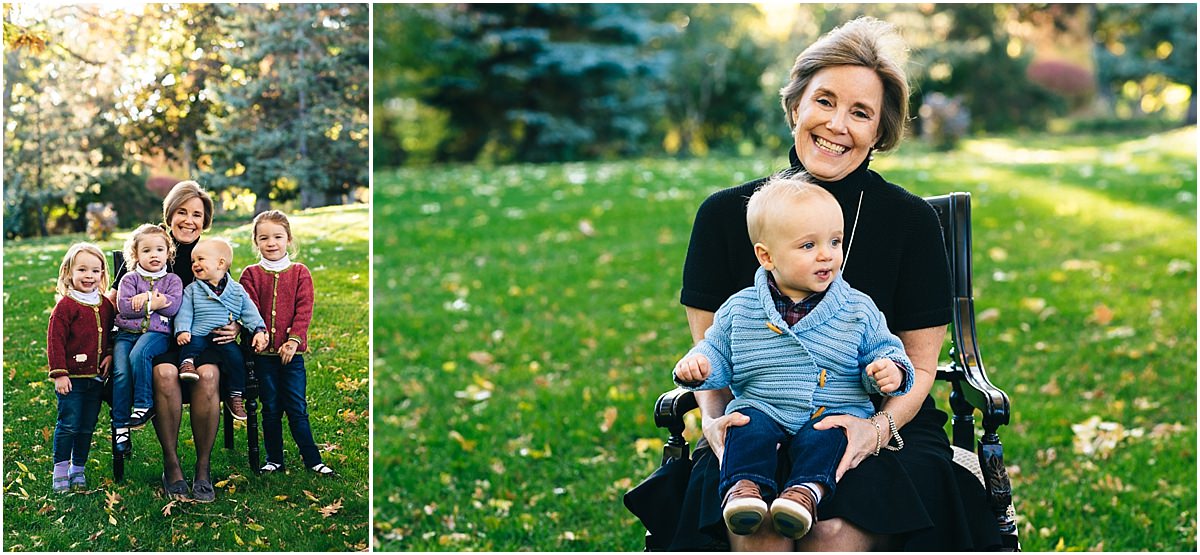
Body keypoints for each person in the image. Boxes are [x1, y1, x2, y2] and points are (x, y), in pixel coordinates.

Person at [673, 16, 1002, 551]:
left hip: (882, 424)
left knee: (832, 530)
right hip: (755, 421)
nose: (837, 125)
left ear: (879, 131)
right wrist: (714, 422)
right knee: (754, 525)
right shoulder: (723, 217)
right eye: (824, 101)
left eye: (860, 113)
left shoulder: (911, 224)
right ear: (795, 106)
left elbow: (918, 368)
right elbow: (713, 356)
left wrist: (873, 432)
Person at [673, 177, 913, 540]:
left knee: (831, 438)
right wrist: (699, 367)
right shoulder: (740, 308)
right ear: (766, 256)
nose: (827, 255)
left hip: (831, 410)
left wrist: (887, 371)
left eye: (835, 242)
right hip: (766, 406)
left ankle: (804, 495)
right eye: (808, 245)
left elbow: (885, 351)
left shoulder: (858, 309)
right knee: (744, 426)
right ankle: (743, 491)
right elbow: (717, 351)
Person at [108, 180, 239, 503]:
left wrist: (236, 325)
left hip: (201, 341)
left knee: (209, 376)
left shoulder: (210, 255)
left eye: (197, 214)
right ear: (170, 214)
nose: (189, 220)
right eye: (182, 212)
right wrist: (106, 346)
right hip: (158, 339)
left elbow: (233, 297)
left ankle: (203, 469)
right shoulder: (148, 249)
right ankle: (172, 465)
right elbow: (112, 302)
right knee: (164, 375)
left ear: (205, 220)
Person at [240, 210, 335, 476]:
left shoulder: (300, 273)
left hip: (291, 356)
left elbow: (304, 310)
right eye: (264, 238)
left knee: (296, 406)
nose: (271, 243)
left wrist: (293, 341)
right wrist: (259, 334)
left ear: (289, 239)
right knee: (270, 407)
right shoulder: (250, 275)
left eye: (278, 237)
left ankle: (312, 459)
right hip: (263, 357)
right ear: (256, 242)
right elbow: (249, 309)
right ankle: (274, 459)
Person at [47, 242, 115, 492]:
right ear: (68, 273)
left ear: (102, 274)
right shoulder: (66, 306)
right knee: (68, 424)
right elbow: (55, 341)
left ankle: (79, 468)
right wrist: (60, 373)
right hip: (71, 380)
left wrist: (109, 353)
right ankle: (60, 470)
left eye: (95, 271)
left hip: (96, 378)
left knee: (87, 425)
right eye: (83, 270)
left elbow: (111, 333)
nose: (89, 276)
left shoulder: (106, 305)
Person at [174, 237, 269, 415]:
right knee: (191, 345)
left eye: (200, 259)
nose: (195, 264)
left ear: (220, 263)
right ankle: (187, 364)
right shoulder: (193, 289)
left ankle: (235, 395)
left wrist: (258, 330)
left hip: (223, 336)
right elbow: (185, 312)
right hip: (199, 332)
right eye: (193, 261)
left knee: (236, 359)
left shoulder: (237, 290)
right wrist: (183, 330)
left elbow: (250, 312)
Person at [112, 224, 183, 455]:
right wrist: (157, 303)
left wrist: (147, 298)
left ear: (168, 253)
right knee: (120, 373)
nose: (154, 255)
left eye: (160, 250)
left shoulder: (173, 280)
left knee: (140, 354)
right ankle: (121, 427)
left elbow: (173, 309)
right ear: (136, 255)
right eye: (147, 250)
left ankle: (143, 404)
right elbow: (124, 308)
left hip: (157, 335)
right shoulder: (129, 280)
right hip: (125, 334)